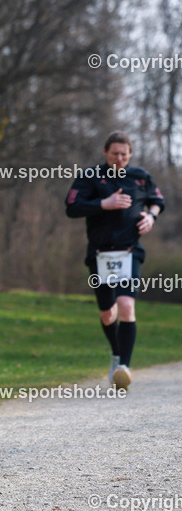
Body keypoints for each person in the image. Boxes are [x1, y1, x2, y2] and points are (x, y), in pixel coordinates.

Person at [65, 131, 165, 390]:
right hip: (99, 254)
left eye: (124, 154)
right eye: (114, 154)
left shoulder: (141, 177)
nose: (119, 159)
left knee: (126, 306)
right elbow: (72, 207)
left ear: (130, 154)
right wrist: (104, 203)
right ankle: (116, 354)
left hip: (129, 252)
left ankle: (124, 367)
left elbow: (157, 201)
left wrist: (151, 217)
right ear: (105, 153)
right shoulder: (90, 176)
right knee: (108, 314)